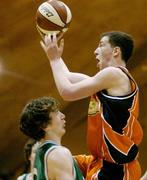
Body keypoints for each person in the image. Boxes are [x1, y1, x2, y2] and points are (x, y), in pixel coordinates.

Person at [40, 31, 143, 179]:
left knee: (57, 162)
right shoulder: (103, 82)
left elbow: (67, 92)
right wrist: (54, 54)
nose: (96, 51)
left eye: (101, 45)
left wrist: (54, 60)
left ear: (116, 51)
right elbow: (67, 77)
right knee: (54, 161)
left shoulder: (115, 74)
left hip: (117, 167)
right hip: (99, 162)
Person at [19, 96, 84, 180]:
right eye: (56, 113)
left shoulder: (38, 157)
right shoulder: (59, 154)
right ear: (44, 125)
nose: (63, 115)